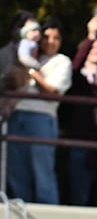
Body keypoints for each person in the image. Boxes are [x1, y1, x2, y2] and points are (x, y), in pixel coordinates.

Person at [5, 18, 71, 206]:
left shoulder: (62, 62)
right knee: (17, 172)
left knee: (43, 172)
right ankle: (21, 212)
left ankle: (49, 213)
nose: (50, 42)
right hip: (16, 115)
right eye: (46, 37)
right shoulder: (26, 55)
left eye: (56, 38)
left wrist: (33, 72)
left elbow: (52, 92)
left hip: (42, 119)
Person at [61, 31, 97, 207]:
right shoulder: (77, 77)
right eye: (92, 47)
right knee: (80, 195)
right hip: (81, 143)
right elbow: (75, 67)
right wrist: (91, 36)